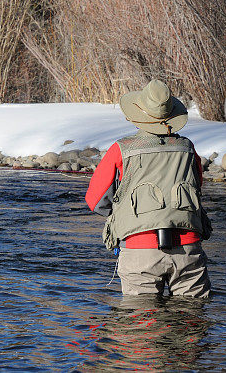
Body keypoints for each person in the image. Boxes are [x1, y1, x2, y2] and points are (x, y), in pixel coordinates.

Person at [85, 79, 212, 297]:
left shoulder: (121, 149)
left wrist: (124, 212)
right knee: (191, 322)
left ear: (138, 115)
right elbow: (197, 186)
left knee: (142, 325)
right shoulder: (187, 148)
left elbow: (95, 200)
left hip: (138, 248)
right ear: (172, 116)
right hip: (188, 247)